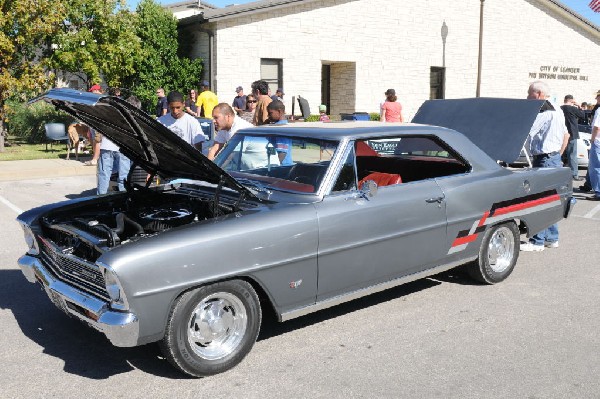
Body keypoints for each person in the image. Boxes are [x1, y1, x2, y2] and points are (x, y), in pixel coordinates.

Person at [520, 81, 569, 252]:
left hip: (544, 159)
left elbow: (527, 130)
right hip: (553, 158)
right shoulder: (557, 109)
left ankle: (537, 241)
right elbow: (566, 135)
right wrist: (558, 155)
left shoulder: (545, 111)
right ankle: (551, 238)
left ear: (539, 94)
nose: (527, 97)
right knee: (551, 200)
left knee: (539, 201)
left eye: (529, 93)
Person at [561, 94, 584, 181]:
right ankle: (574, 174)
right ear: (571, 100)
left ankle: (559, 172)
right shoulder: (573, 108)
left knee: (561, 153)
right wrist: (578, 106)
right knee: (572, 154)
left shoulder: (560, 108)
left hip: (562, 134)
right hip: (572, 133)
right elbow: (582, 115)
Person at [267, 100, 293, 165]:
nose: (268, 115)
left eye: (270, 113)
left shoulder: (281, 128)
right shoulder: (281, 125)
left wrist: (274, 167)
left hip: (282, 166)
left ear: (279, 111)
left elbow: (282, 153)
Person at [84, 84, 104, 166]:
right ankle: (95, 158)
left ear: (96, 90)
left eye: (92, 91)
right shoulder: (95, 99)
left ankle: (95, 159)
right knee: (93, 140)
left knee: (97, 140)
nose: (91, 92)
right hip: (93, 123)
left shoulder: (101, 99)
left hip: (98, 123)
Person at [587, 103, 600, 201]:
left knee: (595, 167)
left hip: (598, 142)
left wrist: (592, 139)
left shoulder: (599, 110)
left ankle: (599, 192)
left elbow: (596, 127)